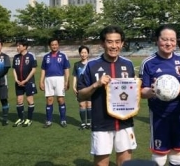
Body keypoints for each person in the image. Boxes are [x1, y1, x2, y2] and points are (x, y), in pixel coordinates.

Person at [77, 25, 137, 166]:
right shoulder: (91, 65)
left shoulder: (128, 65)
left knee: (125, 163)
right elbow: (80, 96)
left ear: (122, 43)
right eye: (110, 42)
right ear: (102, 43)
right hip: (101, 123)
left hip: (125, 122)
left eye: (117, 42)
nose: (114, 46)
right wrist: (96, 85)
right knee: (101, 164)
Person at [140, 25, 180, 166]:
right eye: (164, 39)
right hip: (158, 114)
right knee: (159, 152)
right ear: (157, 40)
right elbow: (142, 92)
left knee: (178, 151)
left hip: (179, 112)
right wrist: (152, 91)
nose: (169, 43)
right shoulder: (148, 63)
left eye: (172, 40)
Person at [39, 38, 70, 128]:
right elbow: (43, 70)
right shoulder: (46, 56)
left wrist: (67, 81)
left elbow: (66, 69)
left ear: (58, 45)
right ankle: (48, 121)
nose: (54, 46)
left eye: (56, 44)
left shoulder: (63, 55)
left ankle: (63, 120)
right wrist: (41, 81)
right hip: (48, 79)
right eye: (52, 45)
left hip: (60, 79)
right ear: (50, 46)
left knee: (60, 99)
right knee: (49, 100)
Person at [12, 39, 38, 127]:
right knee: (19, 100)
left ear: (25, 46)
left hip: (29, 82)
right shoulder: (16, 57)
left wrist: (26, 80)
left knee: (29, 100)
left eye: (19, 45)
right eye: (17, 45)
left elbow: (34, 69)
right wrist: (16, 79)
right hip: (18, 82)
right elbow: (14, 69)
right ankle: (20, 118)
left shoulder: (31, 56)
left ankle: (29, 119)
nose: (17, 47)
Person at [72, 45, 92, 129]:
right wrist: (73, 86)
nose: (83, 54)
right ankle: (83, 123)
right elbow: (75, 76)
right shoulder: (76, 64)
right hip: (80, 87)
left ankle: (89, 123)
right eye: (82, 53)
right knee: (82, 105)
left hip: (90, 87)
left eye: (85, 52)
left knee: (89, 105)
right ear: (80, 54)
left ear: (88, 54)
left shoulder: (91, 64)